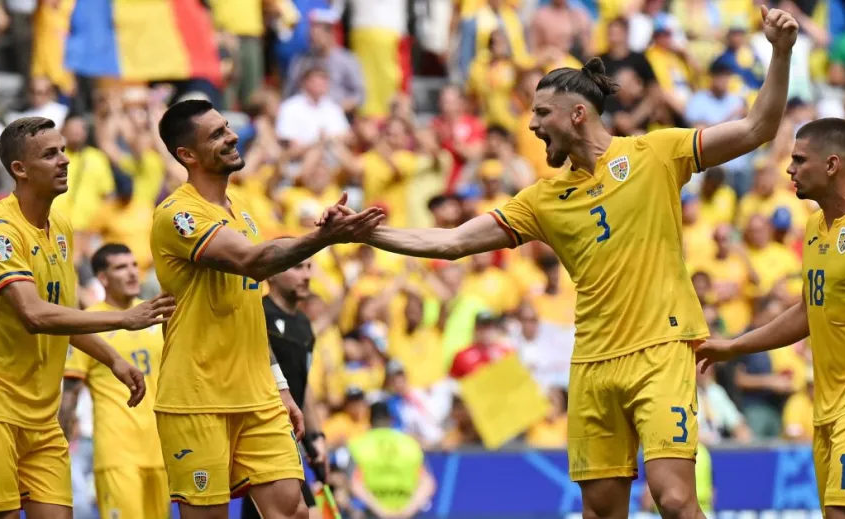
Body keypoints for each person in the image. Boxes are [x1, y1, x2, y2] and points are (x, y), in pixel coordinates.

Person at [321, 7, 799, 518]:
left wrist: (781, 52)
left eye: (541, 113)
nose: (531, 124)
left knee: (677, 499)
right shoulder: (542, 200)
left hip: (661, 348)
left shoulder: (657, 153)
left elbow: (756, 127)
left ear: (576, 114)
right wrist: (371, 234)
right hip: (593, 361)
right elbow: (452, 241)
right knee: (600, 509)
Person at [152, 100, 383, 519]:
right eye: (217, 134)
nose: (232, 136)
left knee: (293, 511)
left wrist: (279, 387)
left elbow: (250, 310)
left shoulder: (242, 209)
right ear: (187, 155)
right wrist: (323, 238)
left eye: (227, 128)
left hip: (257, 394)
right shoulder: (178, 214)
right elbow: (251, 262)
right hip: (198, 395)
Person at [696, 118, 845, 519]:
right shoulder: (813, 227)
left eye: (800, 160)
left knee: (844, 514)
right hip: (826, 403)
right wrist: (734, 347)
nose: (790, 169)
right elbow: (807, 312)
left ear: (832, 164)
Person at [0, 116, 176, 518]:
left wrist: (113, 359)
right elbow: (34, 314)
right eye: (50, 154)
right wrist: (123, 320)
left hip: (41, 414)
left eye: (64, 150)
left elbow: (64, 315)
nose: (64, 161)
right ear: (20, 169)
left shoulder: (62, 228)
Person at [59, 243, 168, 519]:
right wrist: (58, 455)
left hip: (162, 451)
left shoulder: (154, 318)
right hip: (117, 453)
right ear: (103, 278)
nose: (132, 273)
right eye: (121, 267)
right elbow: (70, 392)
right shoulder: (89, 323)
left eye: (134, 265)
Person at [241, 258, 329, 519]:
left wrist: (317, 436)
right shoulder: (257, 315)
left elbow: (304, 386)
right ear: (271, 274)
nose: (306, 275)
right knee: (305, 513)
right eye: (296, 267)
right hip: (264, 436)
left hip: (294, 438)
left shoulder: (304, 324)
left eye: (308, 267)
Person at [347, 401, 436, 519]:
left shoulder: (358, 445)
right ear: (391, 419)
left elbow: (354, 484)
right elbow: (427, 483)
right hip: (405, 512)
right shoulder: (410, 444)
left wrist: (382, 512)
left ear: (369, 420)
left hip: (373, 514)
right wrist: (407, 511)